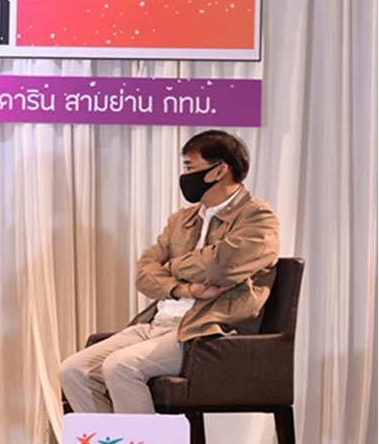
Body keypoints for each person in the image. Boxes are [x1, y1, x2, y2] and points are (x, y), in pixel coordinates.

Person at [59, 129, 281, 413]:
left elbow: (220, 266)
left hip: (207, 330)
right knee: (73, 370)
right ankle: (116, 435)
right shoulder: (182, 219)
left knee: (121, 366)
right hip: (159, 322)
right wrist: (184, 288)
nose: (184, 175)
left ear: (219, 170)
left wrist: (173, 265)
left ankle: (141, 436)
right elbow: (143, 273)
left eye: (190, 167)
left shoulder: (257, 217)